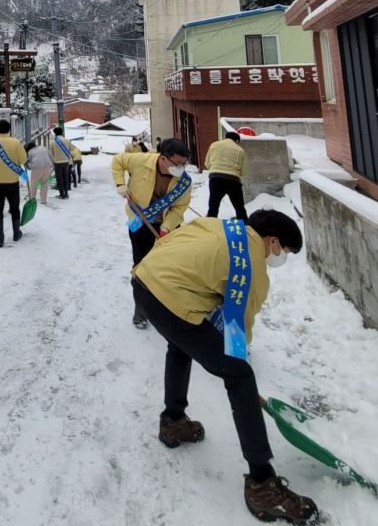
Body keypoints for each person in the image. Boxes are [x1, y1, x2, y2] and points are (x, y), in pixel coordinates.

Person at [131, 210, 318, 525]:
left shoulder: (219, 225)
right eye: (284, 251)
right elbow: (238, 329)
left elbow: (174, 241)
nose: (280, 257)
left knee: (179, 344)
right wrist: (241, 379)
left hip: (144, 281)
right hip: (171, 298)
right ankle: (262, 484)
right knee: (240, 377)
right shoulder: (254, 267)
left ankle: (173, 421)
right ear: (273, 241)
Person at [111, 138, 191, 328]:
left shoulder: (184, 181)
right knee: (141, 268)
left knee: (168, 269)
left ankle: (165, 306)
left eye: (185, 163)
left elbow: (179, 208)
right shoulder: (141, 161)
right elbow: (117, 161)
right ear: (163, 159)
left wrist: (167, 227)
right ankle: (141, 310)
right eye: (178, 163)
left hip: (167, 228)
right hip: (140, 223)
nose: (182, 168)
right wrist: (120, 184)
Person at [0, 118, 28, 247]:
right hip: (12, 181)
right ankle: (16, 233)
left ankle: (0, 238)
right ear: (9, 129)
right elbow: (23, 159)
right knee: (14, 208)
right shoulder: (16, 143)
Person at [205, 131, 249, 222]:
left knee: (213, 206)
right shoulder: (240, 150)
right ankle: (245, 228)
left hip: (215, 178)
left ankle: (210, 227)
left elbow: (207, 163)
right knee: (239, 207)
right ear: (237, 141)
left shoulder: (213, 145)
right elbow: (244, 172)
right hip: (233, 180)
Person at [26, 140, 53, 206]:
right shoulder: (43, 147)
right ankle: (43, 200)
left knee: (33, 183)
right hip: (48, 166)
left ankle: (32, 199)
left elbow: (30, 162)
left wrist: (27, 165)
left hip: (37, 167)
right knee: (44, 184)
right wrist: (51, 164)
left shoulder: (30, 151)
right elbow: (51, 156)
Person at [49, 126, 73, 199]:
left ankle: (61, 194)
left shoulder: (53, 141)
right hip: (66, 162)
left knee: (59, 179)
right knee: (66, 178)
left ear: (55, 133)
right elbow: (71, 150)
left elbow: (51, 153)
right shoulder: (67, 140)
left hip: (57, 163)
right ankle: (66, 193)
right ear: (62, 132)